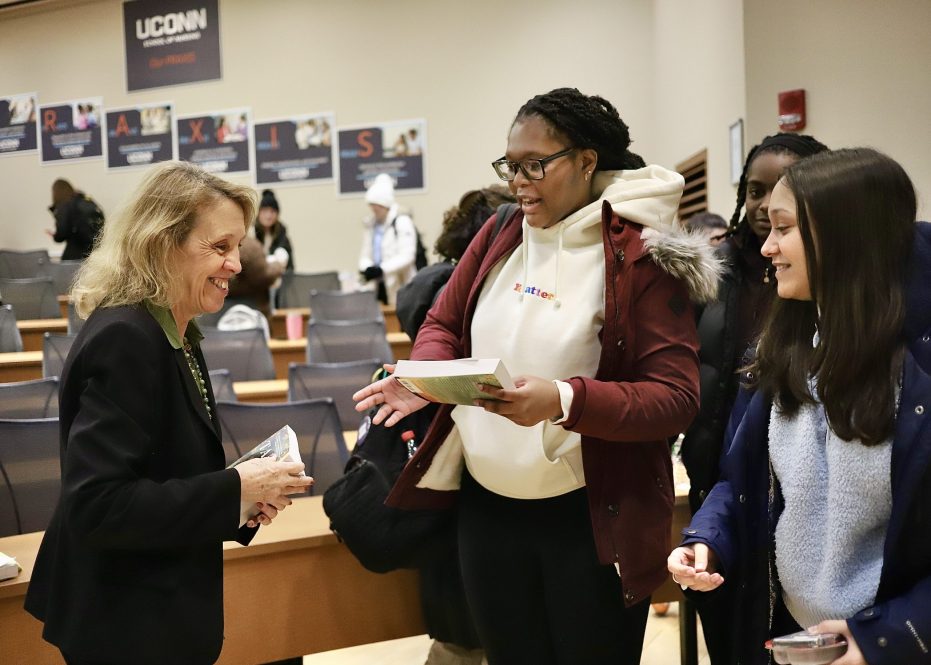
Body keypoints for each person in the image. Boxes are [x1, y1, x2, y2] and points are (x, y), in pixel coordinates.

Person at [354, 87, 721, 665]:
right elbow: (443, 322)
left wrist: (563, 400)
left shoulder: (637, 253)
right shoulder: (501, 229)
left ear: (586, 161)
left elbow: (675, 397)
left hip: (588, 518)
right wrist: (423, 376)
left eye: (535, 166)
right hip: (487, 511)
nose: (518, 181)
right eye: (510, 166)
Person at [24, 161, 313, 665]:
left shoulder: (174, 328)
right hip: (124, 623)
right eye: (220, 247)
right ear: (162, 243)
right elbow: (99, 505)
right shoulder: (127, 337)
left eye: (236, 247)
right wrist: (235, 489)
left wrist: (242, 503)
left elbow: (164, 475)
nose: (237, 265)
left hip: (153, 610)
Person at [669, 148, 931, 665]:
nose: (766, 247)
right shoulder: (786, 348)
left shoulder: (917, 376)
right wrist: (708, 538)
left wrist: (889, 637)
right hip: (793, 635)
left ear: (844, 237)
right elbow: (742, 480)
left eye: (783, 228)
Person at [678, 133, 828, 662]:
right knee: (733, 631)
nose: (762, 208)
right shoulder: (713, 270)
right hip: (722, 478)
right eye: (754, 190)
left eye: (782, 211)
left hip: (787, 496)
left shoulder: (812, 314)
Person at [393, 185, 515, 665]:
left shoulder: (424, 296)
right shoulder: (473, 301)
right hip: (478, 483)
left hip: (441, 494)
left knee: (455, 637)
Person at [359, 172, 417, 306]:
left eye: (377, 205)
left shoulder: (402, 221)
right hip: (378, 287)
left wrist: (382, 269)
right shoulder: (371, 224)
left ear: (385, 204)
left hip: (399, 285)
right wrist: (368, 268)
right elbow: (365, 253)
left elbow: (407, 255)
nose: (373, 209)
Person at [45, 178, 105, 260]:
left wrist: (55, 236)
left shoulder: (65, 205)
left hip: (76, 255)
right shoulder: (85, 199)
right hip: (96, 253)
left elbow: (61, 234)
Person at [227, 234, 283, 320]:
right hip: (252, 314)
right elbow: (263, 276)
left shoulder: (214, 243)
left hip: (217, 316)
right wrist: (278, 264)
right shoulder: (248, 246)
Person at [255, 188, 294, 271]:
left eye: (272, 211)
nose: (268, 216)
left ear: (277, 214)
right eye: (265, 211)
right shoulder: (251, 233)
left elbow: (290, 268)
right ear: (259, 212)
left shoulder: (282, 235)